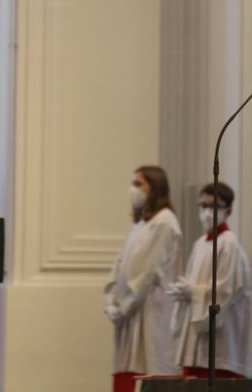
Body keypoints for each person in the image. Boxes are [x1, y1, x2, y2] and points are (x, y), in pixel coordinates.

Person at [103, 166, 183, 392]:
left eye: (139, 184)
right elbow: (119, 267)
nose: (133, 190)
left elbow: (147, 274)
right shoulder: (140, 225)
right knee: (127, 370)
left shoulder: (165, 222)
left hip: (149, 312)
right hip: (129, 314)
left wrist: (124, 306)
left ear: (155, 188)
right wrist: (110, 301)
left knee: (147, 367)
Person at [168, 182, 252, 379]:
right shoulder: (199, 244)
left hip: (220, 338)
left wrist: (193, 292)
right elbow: (192, 281)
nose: (207, 212)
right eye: (203, 206)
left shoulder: (229, 244)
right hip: (196, 336)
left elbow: (225, 291)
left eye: (213, 206)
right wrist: (184, 291)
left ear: (228, 210)